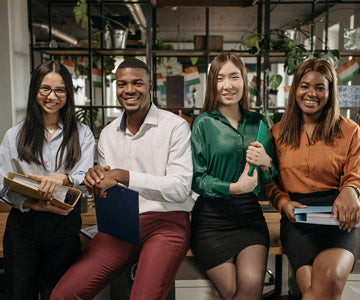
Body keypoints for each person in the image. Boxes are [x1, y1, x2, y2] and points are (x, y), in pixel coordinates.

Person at [50, 58, 194, 300]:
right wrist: (96, 180)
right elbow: (108, 186)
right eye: (121, 84)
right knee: (63, 294)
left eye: (137, 83)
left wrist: (122, 176)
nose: (129, 90)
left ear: (150, 86)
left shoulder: (175, 127)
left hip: (167, 223)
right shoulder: (107, 134)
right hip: (120, 226)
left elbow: (180, 188)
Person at [0, 60, 95, 300]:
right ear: (35, 91)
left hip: (64, 227)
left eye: (60, 90)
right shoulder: (15, 135)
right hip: (24, 226)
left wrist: (63, 178)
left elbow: (86, 178)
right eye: (45, 89)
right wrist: (33, 203)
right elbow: (2, 183)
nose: (52, 96)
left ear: (68, 94)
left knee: (60, 295)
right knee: (19, 294)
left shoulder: (82, 134)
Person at [266, 59, 360, 299]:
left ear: (330, 93)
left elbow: (355, 173)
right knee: (316, 291)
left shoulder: (350, 130)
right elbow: (269, 181)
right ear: (295, 89)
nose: (311, 93)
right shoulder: (277, 132)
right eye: (305, 85)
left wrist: (351, 189)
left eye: (320, 87)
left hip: (341, 219)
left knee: (327, 279)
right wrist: (283, 202)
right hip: (298, 220)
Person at [190, 53, 277, 300]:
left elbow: (272, 178)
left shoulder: (259, 122)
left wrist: (267, 162)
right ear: (212, 84)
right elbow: (197, 178)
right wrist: (234, 187)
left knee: (250, 288)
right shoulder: (203, 123)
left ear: (244, 81)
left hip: (249, 218)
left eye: (234, 77)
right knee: (235, 294)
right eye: (220, 79)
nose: (227, 85)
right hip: (211, 220)